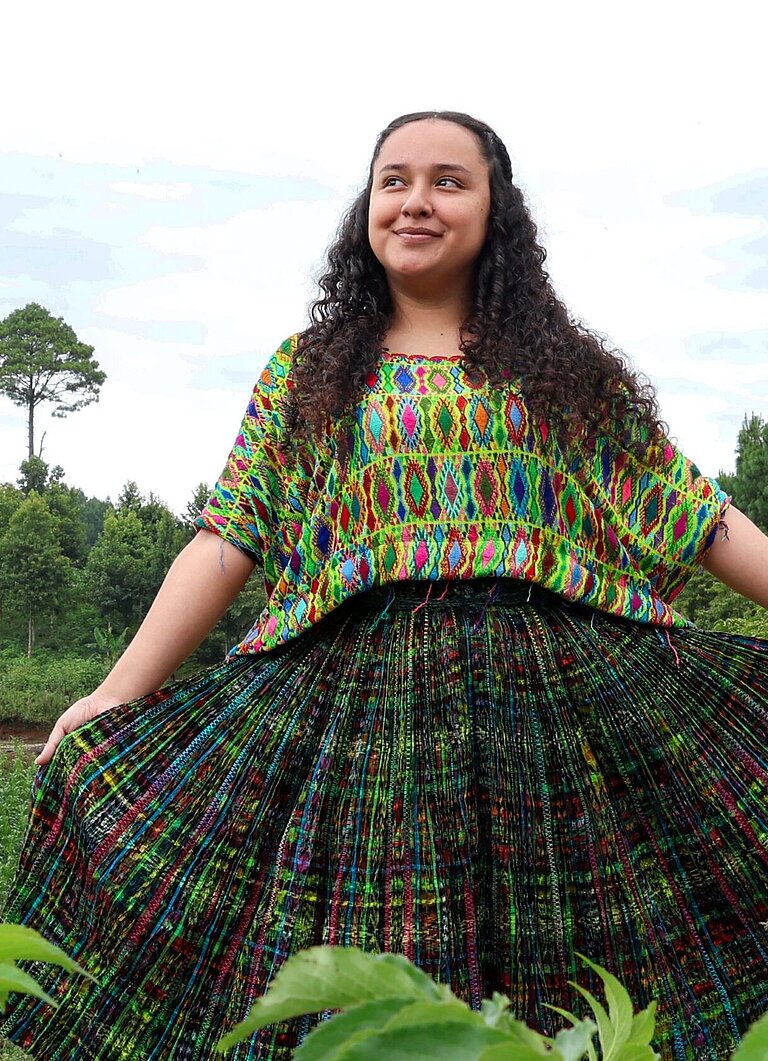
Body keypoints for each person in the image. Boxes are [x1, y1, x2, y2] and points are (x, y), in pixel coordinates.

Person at [3, 111, 768, 1061]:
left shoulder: (566, 374)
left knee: (574, 995)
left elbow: (696, 516)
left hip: (560, 722)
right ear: (367, 204)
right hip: (363, 722)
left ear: (497, 210)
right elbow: (226, 536)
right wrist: (117, 693)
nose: (415, 200)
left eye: (450, 181)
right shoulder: (312, 371)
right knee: (379, 991)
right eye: (393, 180)